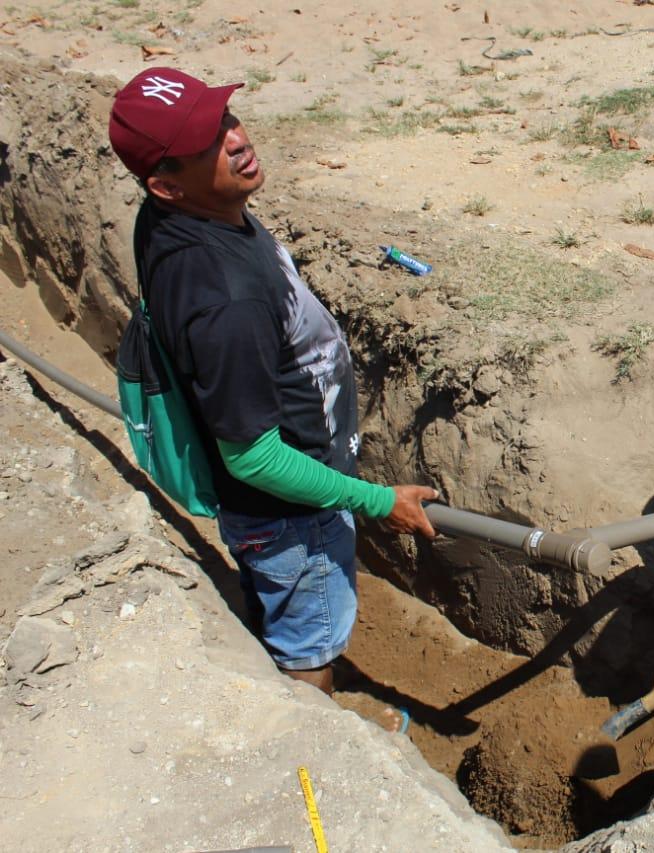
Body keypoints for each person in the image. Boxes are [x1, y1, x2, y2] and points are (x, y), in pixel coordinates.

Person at [109, 68, 438, 729]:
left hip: (288, 507)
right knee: (313, 636)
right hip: (290, 518)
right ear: (167, 184)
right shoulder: (224, 302)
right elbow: (255, 460)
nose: (236, 138)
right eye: (209, 142)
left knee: (290, 608)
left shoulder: (181, 217)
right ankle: (313, 739)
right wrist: (378, 502)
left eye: (226, 118)